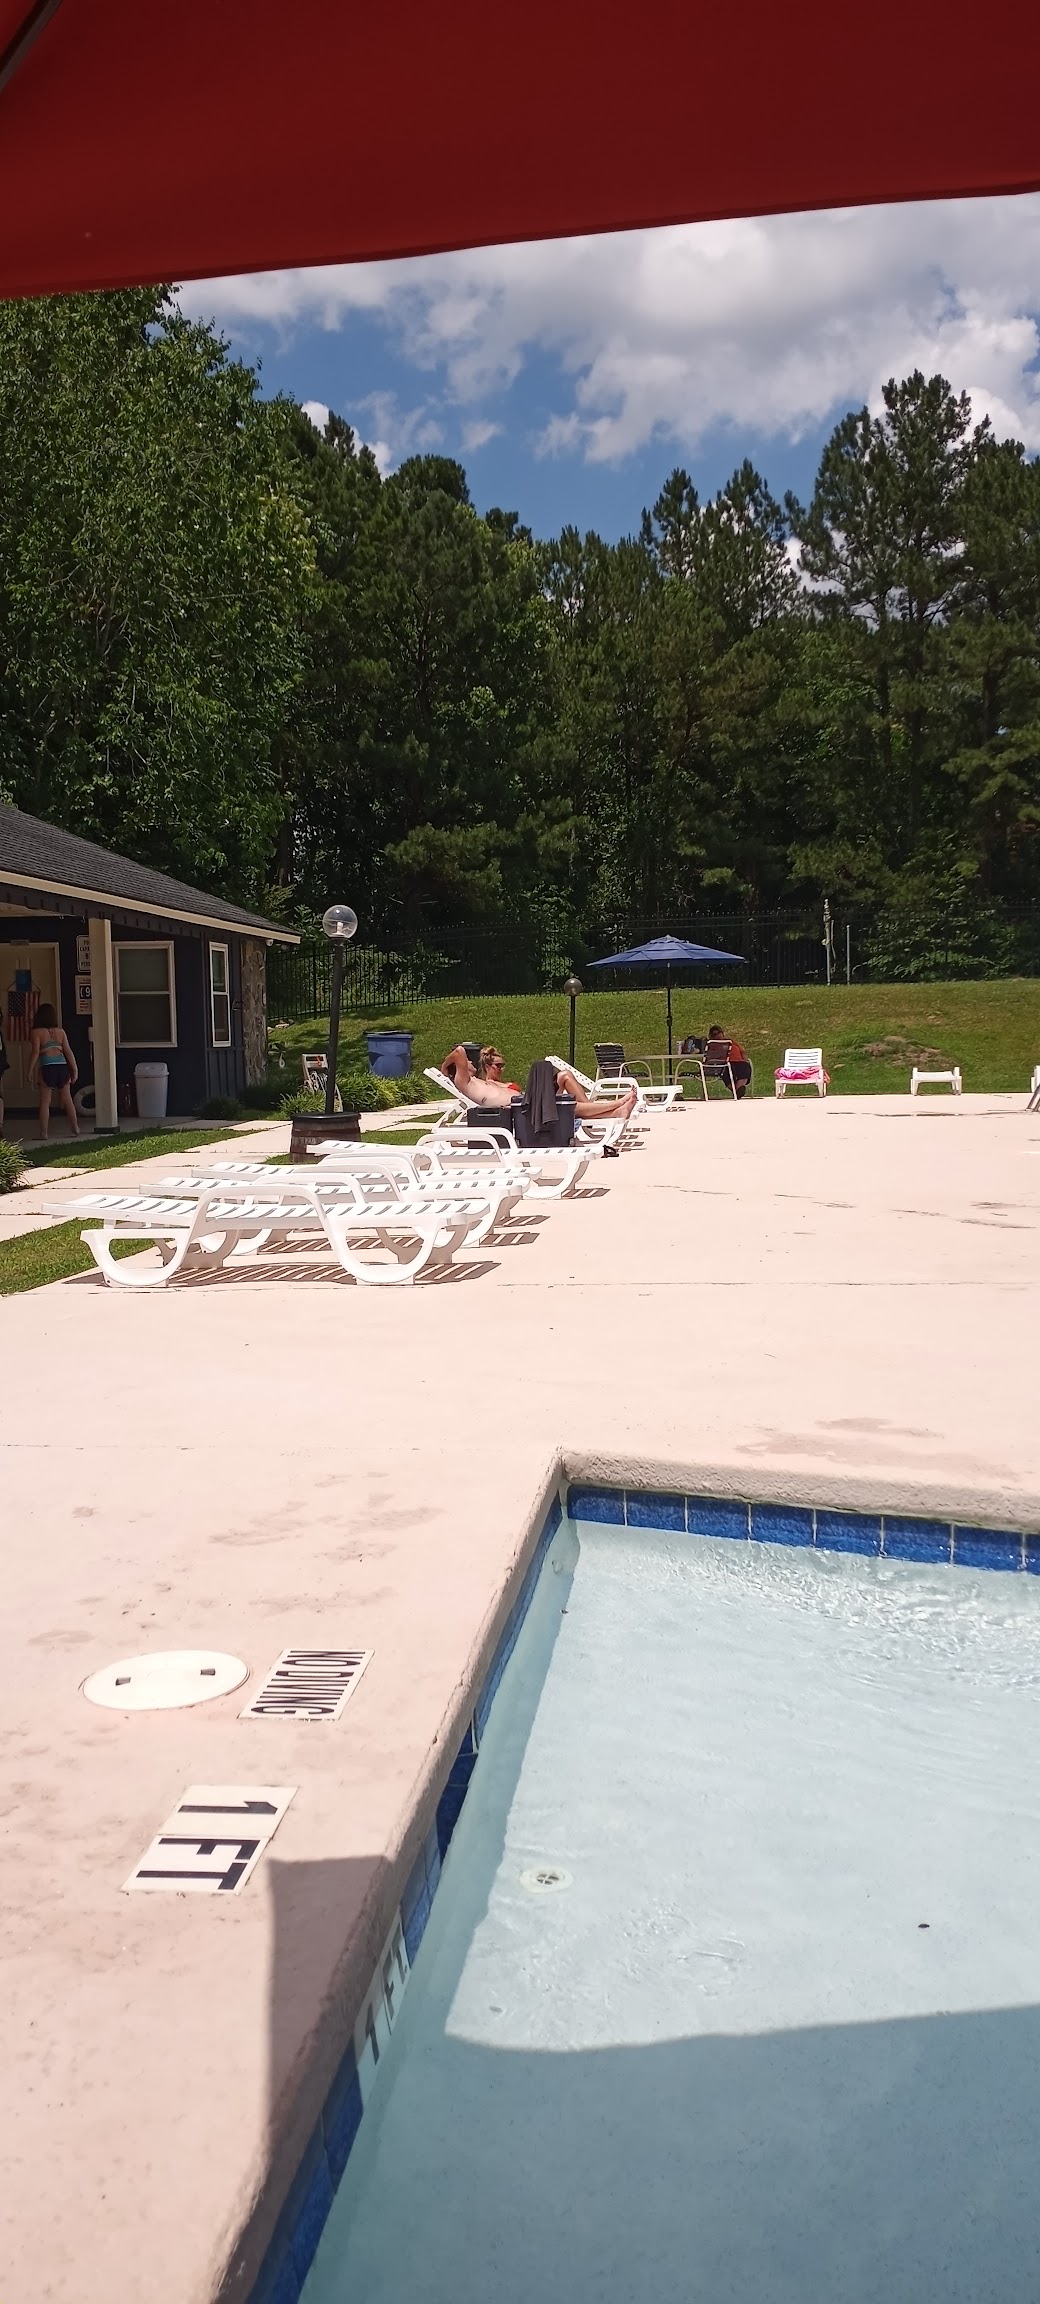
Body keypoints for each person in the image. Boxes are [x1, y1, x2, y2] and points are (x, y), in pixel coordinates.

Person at [443, 1043, 637, 1123]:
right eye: (467, 1063)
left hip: (526, 1103)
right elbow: (459, 1051)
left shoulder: (480, 1082)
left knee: (563, 1082)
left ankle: (616, 1112)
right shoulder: (464, 1082)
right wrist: (445, 1068)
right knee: (544, 1071)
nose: (470, 1062)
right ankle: (618, 1104)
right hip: (522, 1110)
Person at [27, 1004, 80, 1140]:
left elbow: (35, 1053)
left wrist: (30, 1071)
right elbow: (68, 1051)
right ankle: (75, 1127)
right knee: (67, 1100)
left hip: (47, 1068)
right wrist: (74, 1069)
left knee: (45, 1101)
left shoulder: (36, 1032)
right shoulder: (61, 1032)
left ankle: (44, 1133)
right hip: (62, 1067)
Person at [706, 1022, 752, 1100]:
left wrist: (745, 1060)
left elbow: (742, 1051)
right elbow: (711, 1056)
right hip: (725, 1063)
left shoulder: (731, 1041)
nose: (718, 1035)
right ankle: (737, 1091)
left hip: (739, 1061)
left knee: (745, 1067)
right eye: (715, 1034)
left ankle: (738, 1090)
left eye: (719, 1032)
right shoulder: (712, 1045)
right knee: (726, 1071)